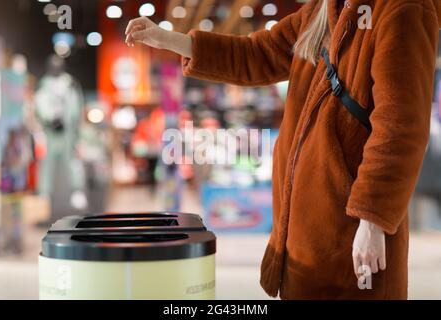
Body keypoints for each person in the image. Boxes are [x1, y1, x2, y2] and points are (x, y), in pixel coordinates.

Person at [125, 0, 441, 299]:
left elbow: (400, 126)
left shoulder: (404, 8)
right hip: (305, 235)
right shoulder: (322, 9)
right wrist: (173, 41)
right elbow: (257, 53)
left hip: (351, 231)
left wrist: (372, 219)